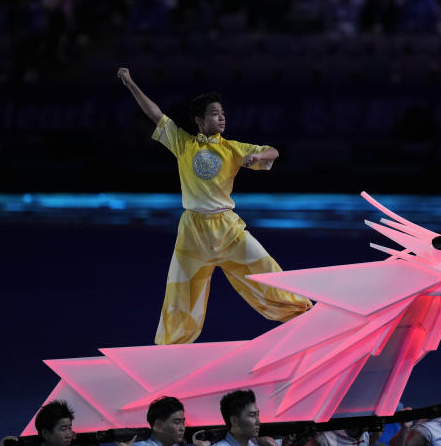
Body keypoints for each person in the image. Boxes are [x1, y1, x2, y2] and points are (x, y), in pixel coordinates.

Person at [118, 68, 312, 344]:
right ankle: (169, 352)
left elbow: (274, 151)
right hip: (193, 235)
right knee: (179, 294)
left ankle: (304, 317)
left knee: (269, 272)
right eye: (214, 113)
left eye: (223, 113)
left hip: (228, 231)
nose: (221, 117)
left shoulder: (233, 148)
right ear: (199, 120)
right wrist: (130, 83)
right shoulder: (183, 143)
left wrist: (258, 155)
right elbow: (155, 114)